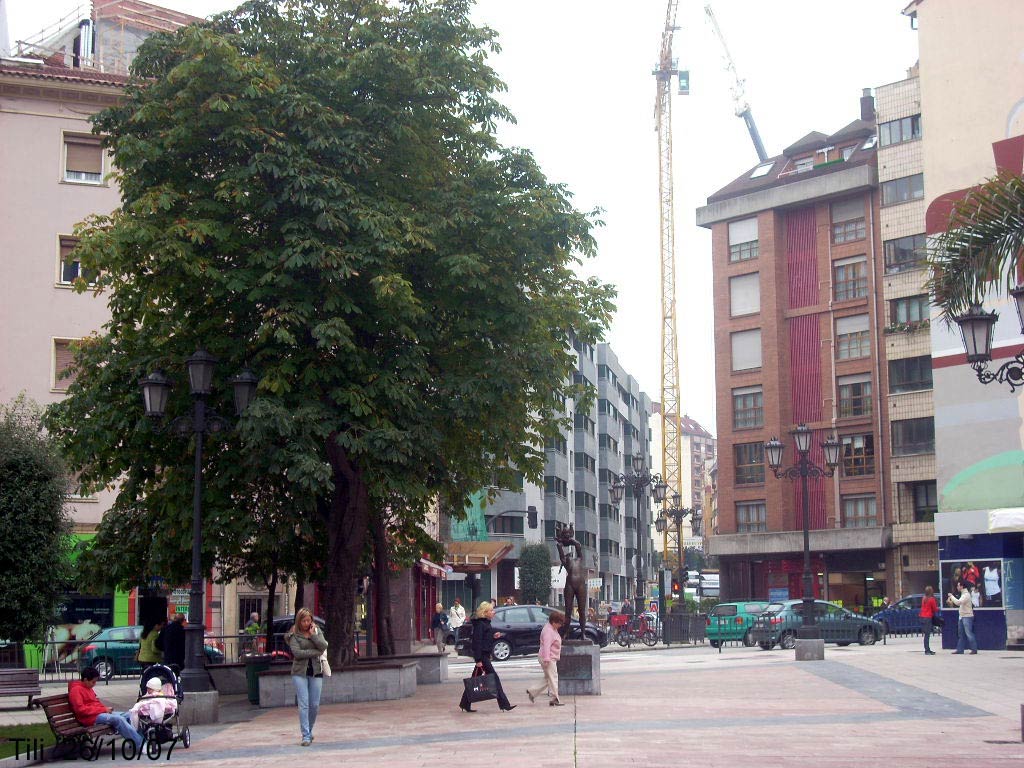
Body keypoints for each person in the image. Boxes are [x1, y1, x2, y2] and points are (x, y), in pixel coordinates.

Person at [458, 601, 515, 713]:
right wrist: (478, 659)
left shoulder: (485, 623)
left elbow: (484, 639)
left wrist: (493, 636)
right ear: (485, 612)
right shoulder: (480, 624)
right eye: (491, 610)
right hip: (482, 656)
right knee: (495, 679)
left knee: (474, 680)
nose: (493, 612)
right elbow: (477, 642)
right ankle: (504, 704)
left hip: (484, 655)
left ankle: (465, 703)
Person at [68, 667, 144, 751]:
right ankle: (140, 744)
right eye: (93, 682)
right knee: (118, 719)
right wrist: (103, 710)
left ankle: (138, 740)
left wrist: (105, 709)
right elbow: (81, 710)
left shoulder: (88, 688)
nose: (94, 684)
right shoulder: (76, 690)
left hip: (98, 713)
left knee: (131, 715)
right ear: (85, 680)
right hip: (90, 718)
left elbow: (95, 703)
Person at [286, 608, 328, 746]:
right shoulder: (294, 635)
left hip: (316, 671)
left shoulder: (316, 630)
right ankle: (305, 735)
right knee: (304, 704)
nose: (306, 623)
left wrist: (313, 636)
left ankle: (309, 730)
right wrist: (314, 651)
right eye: (303, 621)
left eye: (308, 620)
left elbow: (323, 646)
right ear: (299, 621)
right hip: (299, 672)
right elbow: (297, 653)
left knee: (314, 705)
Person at [526, 610, 564, 707]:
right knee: (553, 677)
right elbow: (547, 646)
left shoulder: (550, 628)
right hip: (548, 658)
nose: (560, 626)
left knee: (548, 678)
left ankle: (533, 692)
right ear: (554, 622)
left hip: (546, 657)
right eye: (559, 623)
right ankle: (555, 698)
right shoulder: (549, 631)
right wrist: (547, 659)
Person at [947, 582, 978, 654]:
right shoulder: (963, 594)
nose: (957, 587)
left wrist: (951, 596)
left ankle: (974, 649)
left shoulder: (966, 595)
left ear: (962, 586)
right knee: (961, 634)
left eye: (958, 586)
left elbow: (958, 602)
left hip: (967, 616)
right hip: (962, 616)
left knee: (968, 633)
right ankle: (960, 649)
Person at [918, 586, 939, 655]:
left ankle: (927, 649)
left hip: (922, 616)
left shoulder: (924, 598)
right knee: (927, 635)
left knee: (926, 634)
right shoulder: (931, 599)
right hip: (928, 617)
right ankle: (927, 650)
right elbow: (935, 609)